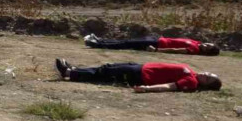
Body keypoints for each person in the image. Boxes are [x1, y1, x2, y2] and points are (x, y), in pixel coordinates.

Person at [54, 59, 222, 93]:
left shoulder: (191, 82)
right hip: (142, 67)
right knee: (107, 68)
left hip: (141, 75)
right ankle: (75, 70)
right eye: (208, 73)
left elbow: (169, 86)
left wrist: (147, 89)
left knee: (105, 73)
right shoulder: (192, 73)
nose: (205, 74)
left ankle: (69, 73)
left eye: (208, 78)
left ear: (205, 85)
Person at [84, 34, 220, 56]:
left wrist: (157, 51)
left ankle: (96, 44)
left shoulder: (194, 49)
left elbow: (176, 49)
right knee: (128, 41)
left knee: (126, 44)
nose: (207, 44)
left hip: (156, 44)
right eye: (209, 44)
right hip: (158, 39)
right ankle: (100, 40)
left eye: (209, 47)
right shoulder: (197, 43)